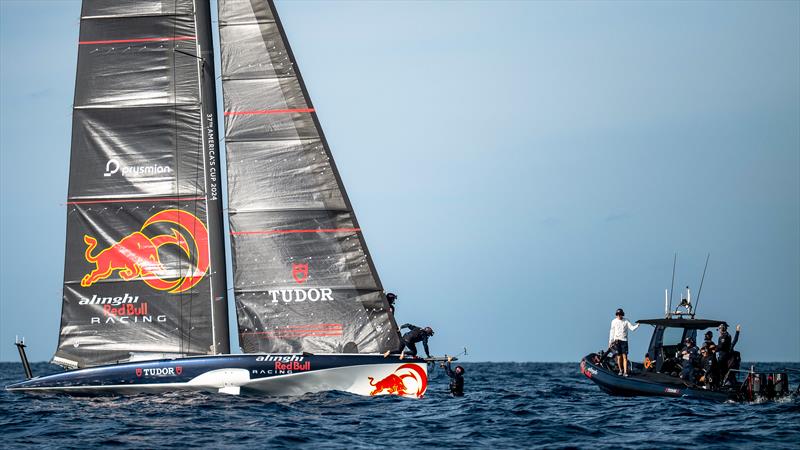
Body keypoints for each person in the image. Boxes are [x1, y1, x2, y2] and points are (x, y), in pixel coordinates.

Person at [608, 308, 639, 377]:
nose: (619, 316)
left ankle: (625, 372)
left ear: (622, 314)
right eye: (617, 314)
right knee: (619, 357)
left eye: (620, 314)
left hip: (624, 341)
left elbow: (632, 328)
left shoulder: (626, 321)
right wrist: (610, 341)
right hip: (617, 341)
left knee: (625, 357)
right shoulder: (613, 321)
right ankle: (620, 370)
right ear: (616, 315)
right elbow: (612, 332)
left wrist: (637, 325)